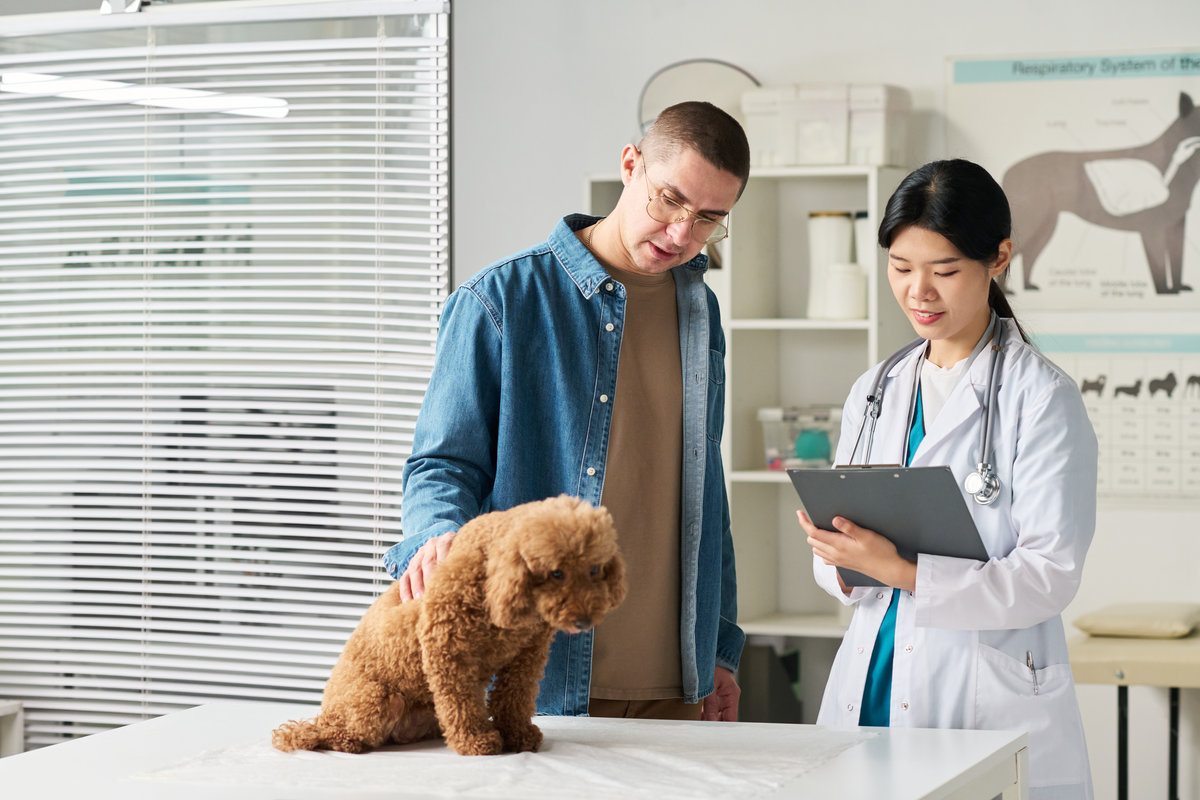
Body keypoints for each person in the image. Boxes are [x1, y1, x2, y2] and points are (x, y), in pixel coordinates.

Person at [384, 101, 750, 722]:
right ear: (631, 165)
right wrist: (434, 538)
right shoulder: (500, 299)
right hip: (542, 674)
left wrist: (718, 647)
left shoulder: (700, 311)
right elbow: (444, 463)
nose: (681, 235)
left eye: (709, 218)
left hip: (676, 678)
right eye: (669, 200)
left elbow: (704, 490)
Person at [797, 159, 1097, 799]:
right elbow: (839, 567)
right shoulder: (876, 390)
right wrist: (842, 557)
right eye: (901, 269)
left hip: (979, 691)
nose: (918, 293)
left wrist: (902, 571)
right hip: (872, 677)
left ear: (999, 258)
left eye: (945, 271)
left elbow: (1051, 575)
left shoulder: (1041, 398)